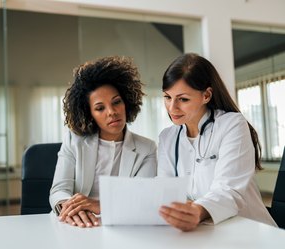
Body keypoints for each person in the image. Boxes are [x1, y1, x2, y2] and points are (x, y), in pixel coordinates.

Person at [157, 53, 277, 231]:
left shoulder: (232, 125)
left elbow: (229, 191)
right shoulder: (167, 137)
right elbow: (165, 191)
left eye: (183, 99)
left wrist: (196, 210)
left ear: (206, 95)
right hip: (205, 231)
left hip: (249, 229)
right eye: (167, 97)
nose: (172, 108)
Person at [49, 56, 157, 228]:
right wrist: (72, 209)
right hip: (77, 225)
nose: (112, 112)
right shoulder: (74, 141)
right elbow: (59, 190)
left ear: (126, 102)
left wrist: (100, 206)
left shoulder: (147, 148)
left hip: (123, 226)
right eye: (100, 108)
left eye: (116, 102)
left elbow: (141, 198)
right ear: (89, 113)